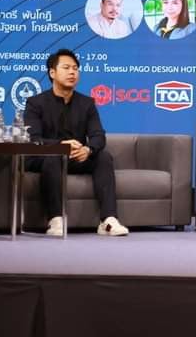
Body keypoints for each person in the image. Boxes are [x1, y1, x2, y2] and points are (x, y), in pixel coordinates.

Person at [24, 49, 129, 236]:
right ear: (52, 73)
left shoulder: (86, 103)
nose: (72, 72)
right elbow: (33, 138)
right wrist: (61, 146)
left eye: (75, 68)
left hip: (76, 157)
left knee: (103, 157)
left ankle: (108, 220)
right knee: (53, 158)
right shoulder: (35, 103)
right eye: (66, 68)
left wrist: (88, 149)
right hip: (44, 157)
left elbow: (98, 135)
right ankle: (56, 220)